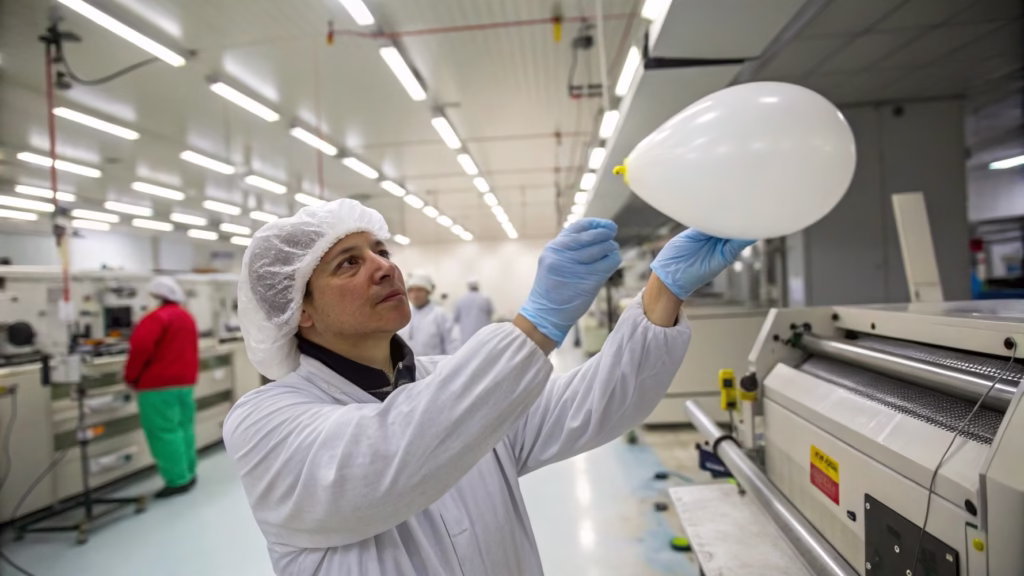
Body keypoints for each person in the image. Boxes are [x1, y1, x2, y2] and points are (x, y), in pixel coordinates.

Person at [224, 199, 750, 575]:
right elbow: (387, 456)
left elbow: (592, 404)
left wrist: (664, 289)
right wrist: (538, 325)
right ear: (302, 313)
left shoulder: (447, 382)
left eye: (379, 249)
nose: (384, 267)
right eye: (349, 263)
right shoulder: (264, 422)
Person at [124, 276, 199, 498]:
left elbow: (140, 348)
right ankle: (189, 470)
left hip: (157, 385)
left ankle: (177, 480)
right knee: (183, 427)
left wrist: (131, 377)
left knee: (164, 432)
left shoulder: (155, 318)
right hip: (185, 382)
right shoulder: (186, 316)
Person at [396, 272, 460, 356]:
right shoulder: (403, 313)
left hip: (435, 367)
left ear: (428, 292)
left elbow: (453, 345)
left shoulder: (440, 314)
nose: (414, 295)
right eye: (411, 290)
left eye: (419, 290)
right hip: (409, 367)